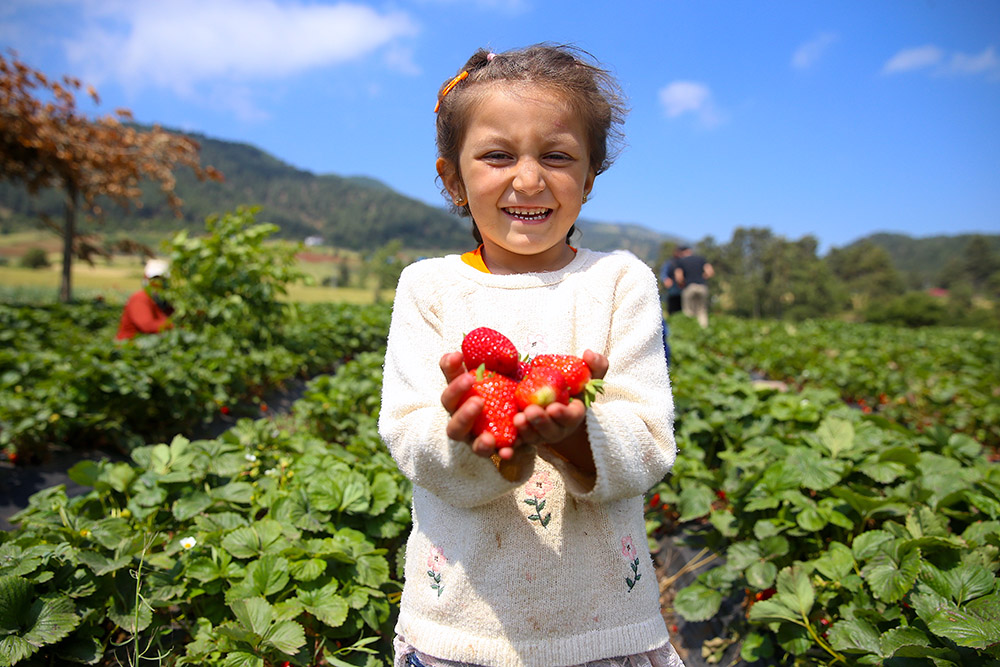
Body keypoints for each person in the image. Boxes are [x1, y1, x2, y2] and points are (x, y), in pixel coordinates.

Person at [378, 44, 682, 667]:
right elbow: (409, 434)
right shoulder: (428, 287)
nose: (528, 178)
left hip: (604, 629)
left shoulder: (622, 282)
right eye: (496, 155)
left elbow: (650, 439)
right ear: (452, 179)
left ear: (590, 176)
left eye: (557, 156)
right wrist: (477, 442)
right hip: (461, 626)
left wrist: (576, 439)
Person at [115, 259, 175, 340]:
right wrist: (175, 325)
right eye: (154, 279)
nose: (158, 283)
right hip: (130, 346)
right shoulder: (140, 298)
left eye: (162, 279)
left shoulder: (165, 300)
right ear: (146, 278)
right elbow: (147, 326)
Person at [674, 246, 714, 329]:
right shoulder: (701, 259)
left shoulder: (681, 261)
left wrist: (682, 284)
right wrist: (702, 278)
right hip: (702, 287)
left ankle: (690, 330)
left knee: (688, 311)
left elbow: (679, 277)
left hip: (690, 287)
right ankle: (703, 330)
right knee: (702, 311)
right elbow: (710, 272)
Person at [658, 247, 683, 317]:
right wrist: (666, 279)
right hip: (673, 289)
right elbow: (663, 273)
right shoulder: (670, 263)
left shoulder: (683, 263)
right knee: (672, 308)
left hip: (682, 290)